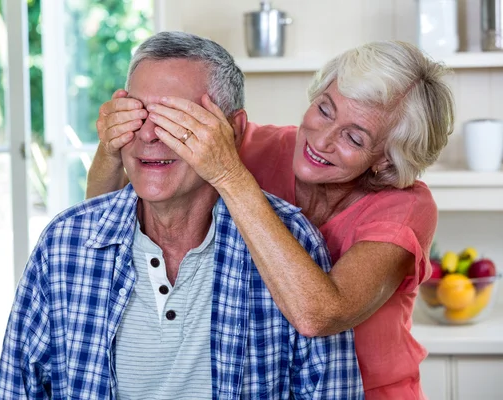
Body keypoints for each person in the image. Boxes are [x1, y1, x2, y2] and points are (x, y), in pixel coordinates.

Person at [0, 31, 364, 399]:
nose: (150, 134)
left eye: (175, 118)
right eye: (136, 114)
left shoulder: (292, 240)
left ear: (232, 132)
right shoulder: (63, 243)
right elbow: (15, 388)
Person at [86, 38, 455, 399]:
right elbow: (102, 229)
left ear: (386, 159)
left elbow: (319, 316)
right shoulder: (255, 146)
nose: (321, 139)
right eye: (325, 109)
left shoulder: (404, 208)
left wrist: (229, 175)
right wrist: (112, 146)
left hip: (369, 391)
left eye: (354, 138)